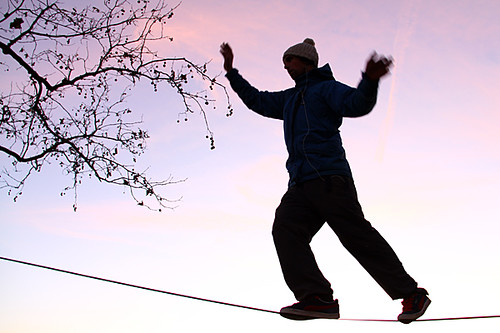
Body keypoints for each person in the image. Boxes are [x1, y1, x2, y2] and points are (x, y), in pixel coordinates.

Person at [219, 38, 430, 324]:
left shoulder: (326, 89)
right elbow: (256, 99)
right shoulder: (289, 99)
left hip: (329, 178)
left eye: (289, 61)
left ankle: (411, 294)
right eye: (284, 63)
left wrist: (368, 81)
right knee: (285, 229)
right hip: (300, 186)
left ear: (306, 61)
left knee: (355, 235)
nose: (286, 67)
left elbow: (357, 104)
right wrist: (231, 71)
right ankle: (318, 299)